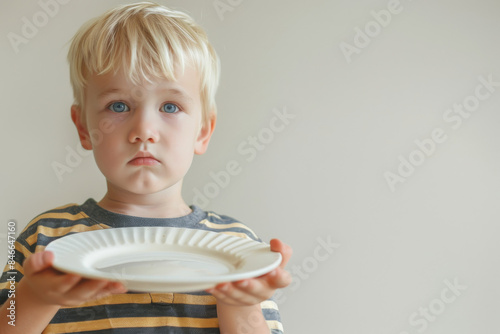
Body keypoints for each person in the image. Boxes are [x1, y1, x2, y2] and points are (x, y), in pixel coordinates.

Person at [0, 2, 292, 333]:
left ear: (203, 131)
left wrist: (239, 303)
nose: (144, 130)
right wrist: (36, 299)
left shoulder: (236, 248)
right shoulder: (46, 239)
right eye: (119, 105)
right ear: (83, 128)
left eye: (170, 106)